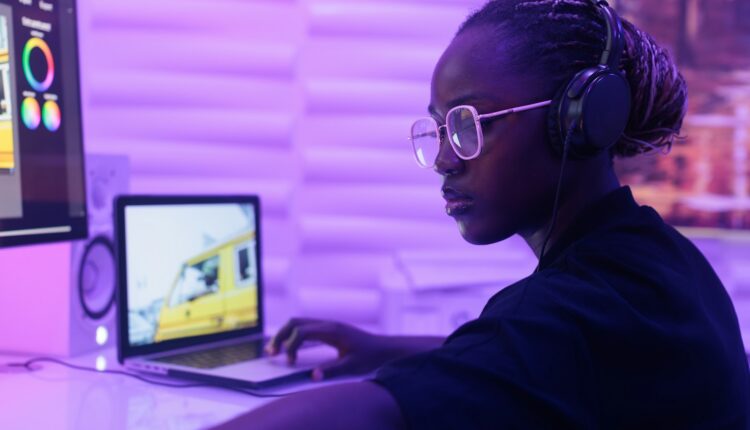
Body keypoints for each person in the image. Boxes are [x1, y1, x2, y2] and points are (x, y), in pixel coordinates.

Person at [212, 0, 750, 428]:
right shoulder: (657, 258)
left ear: (579, 121)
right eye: (440, 127)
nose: (445, 159)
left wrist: (391, 380)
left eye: (471, 123)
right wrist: (382, 348)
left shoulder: (581, 308)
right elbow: (541, 357)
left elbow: (383, 412)